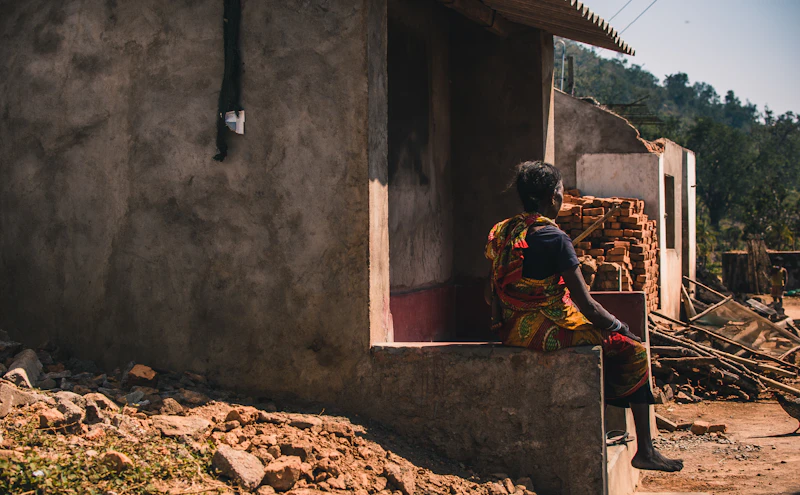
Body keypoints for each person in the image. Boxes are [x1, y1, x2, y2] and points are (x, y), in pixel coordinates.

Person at [484, 160, 683, 472]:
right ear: (551, 198)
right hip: (543, 330)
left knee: (614, 340)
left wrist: (499, 318)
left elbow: (492, 285)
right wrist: (621, 326)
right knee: (633, 350)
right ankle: (645, 450)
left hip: (511, 329)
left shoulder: (505, 230)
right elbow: (587, 305)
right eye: (561, 192)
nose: (563, 198)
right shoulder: (554, 237)